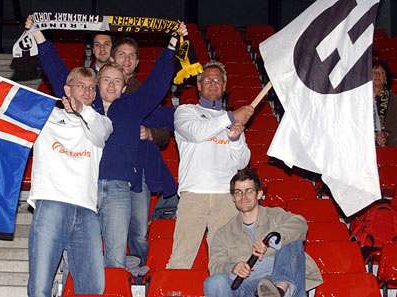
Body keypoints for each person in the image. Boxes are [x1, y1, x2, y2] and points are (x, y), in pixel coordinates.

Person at [25, 16, 185, 269]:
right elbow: (58, 74)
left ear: (124, 88)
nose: (111, 85)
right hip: (83, 187)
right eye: (106, 80)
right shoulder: (87, 105)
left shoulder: (134, 106)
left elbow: (157, 82)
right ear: (97, 84)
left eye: (117, 81)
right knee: (79, 252)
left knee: (114, 255)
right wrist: (38, 36)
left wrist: (173, 43)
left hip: (120, 190)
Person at [27, 67, 113, 296]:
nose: (86, 91)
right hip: (51, 203)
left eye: (91, 88)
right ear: (66, 90)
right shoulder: (45, 117)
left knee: (92, 288)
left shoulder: (100, 122)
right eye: (80, 86)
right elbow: (6, 101)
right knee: (40, 285)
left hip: (87, 210)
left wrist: (82, 110)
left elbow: (100, 132)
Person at [166, 61, 254, 269]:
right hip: (194, 194)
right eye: (207, 80)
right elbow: (196, 133)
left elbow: (242, 161)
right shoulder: (185, 112)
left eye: (218, 80)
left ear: (224, 86)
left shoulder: (232, 121)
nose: (213, 83)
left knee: (225, 259)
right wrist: (231, 117)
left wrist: (236, 139)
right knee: (181, 257)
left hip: (226, 196)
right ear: (199, 85)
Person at [109, 37, 177, 271]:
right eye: (121, 55)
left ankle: (138, 273)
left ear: (137, 62)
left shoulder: (146, 90)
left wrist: (149, 133)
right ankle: (111, 272)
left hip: (140, 169)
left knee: (138, 228)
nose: (126, 60)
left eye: (131, 56)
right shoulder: (99, 89)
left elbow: (165, 130)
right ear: (111, 57)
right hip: (108, 170)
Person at [203, 168, 323, 297]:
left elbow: (300, 223)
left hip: (281, 274)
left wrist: (271, 240)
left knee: (290, 237)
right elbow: (216, 265)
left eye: (249, 191)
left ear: (259, 194)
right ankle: (271, 292)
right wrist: (233, 267)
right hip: (246, 284)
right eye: (238, 192)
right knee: (214, 282)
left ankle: (280, 290)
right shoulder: (223, 233)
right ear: (233, 197)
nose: (243, 197)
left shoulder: (276, 216)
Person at [373, 60, 397, 147]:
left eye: (381, 72)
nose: (377, 75)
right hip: (364, 143)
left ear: (386, 78)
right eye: (374, 72)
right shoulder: (361, 99)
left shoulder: (394, 100)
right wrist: (373, 136)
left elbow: (395, 124)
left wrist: (385, 135)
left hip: (389, 145)